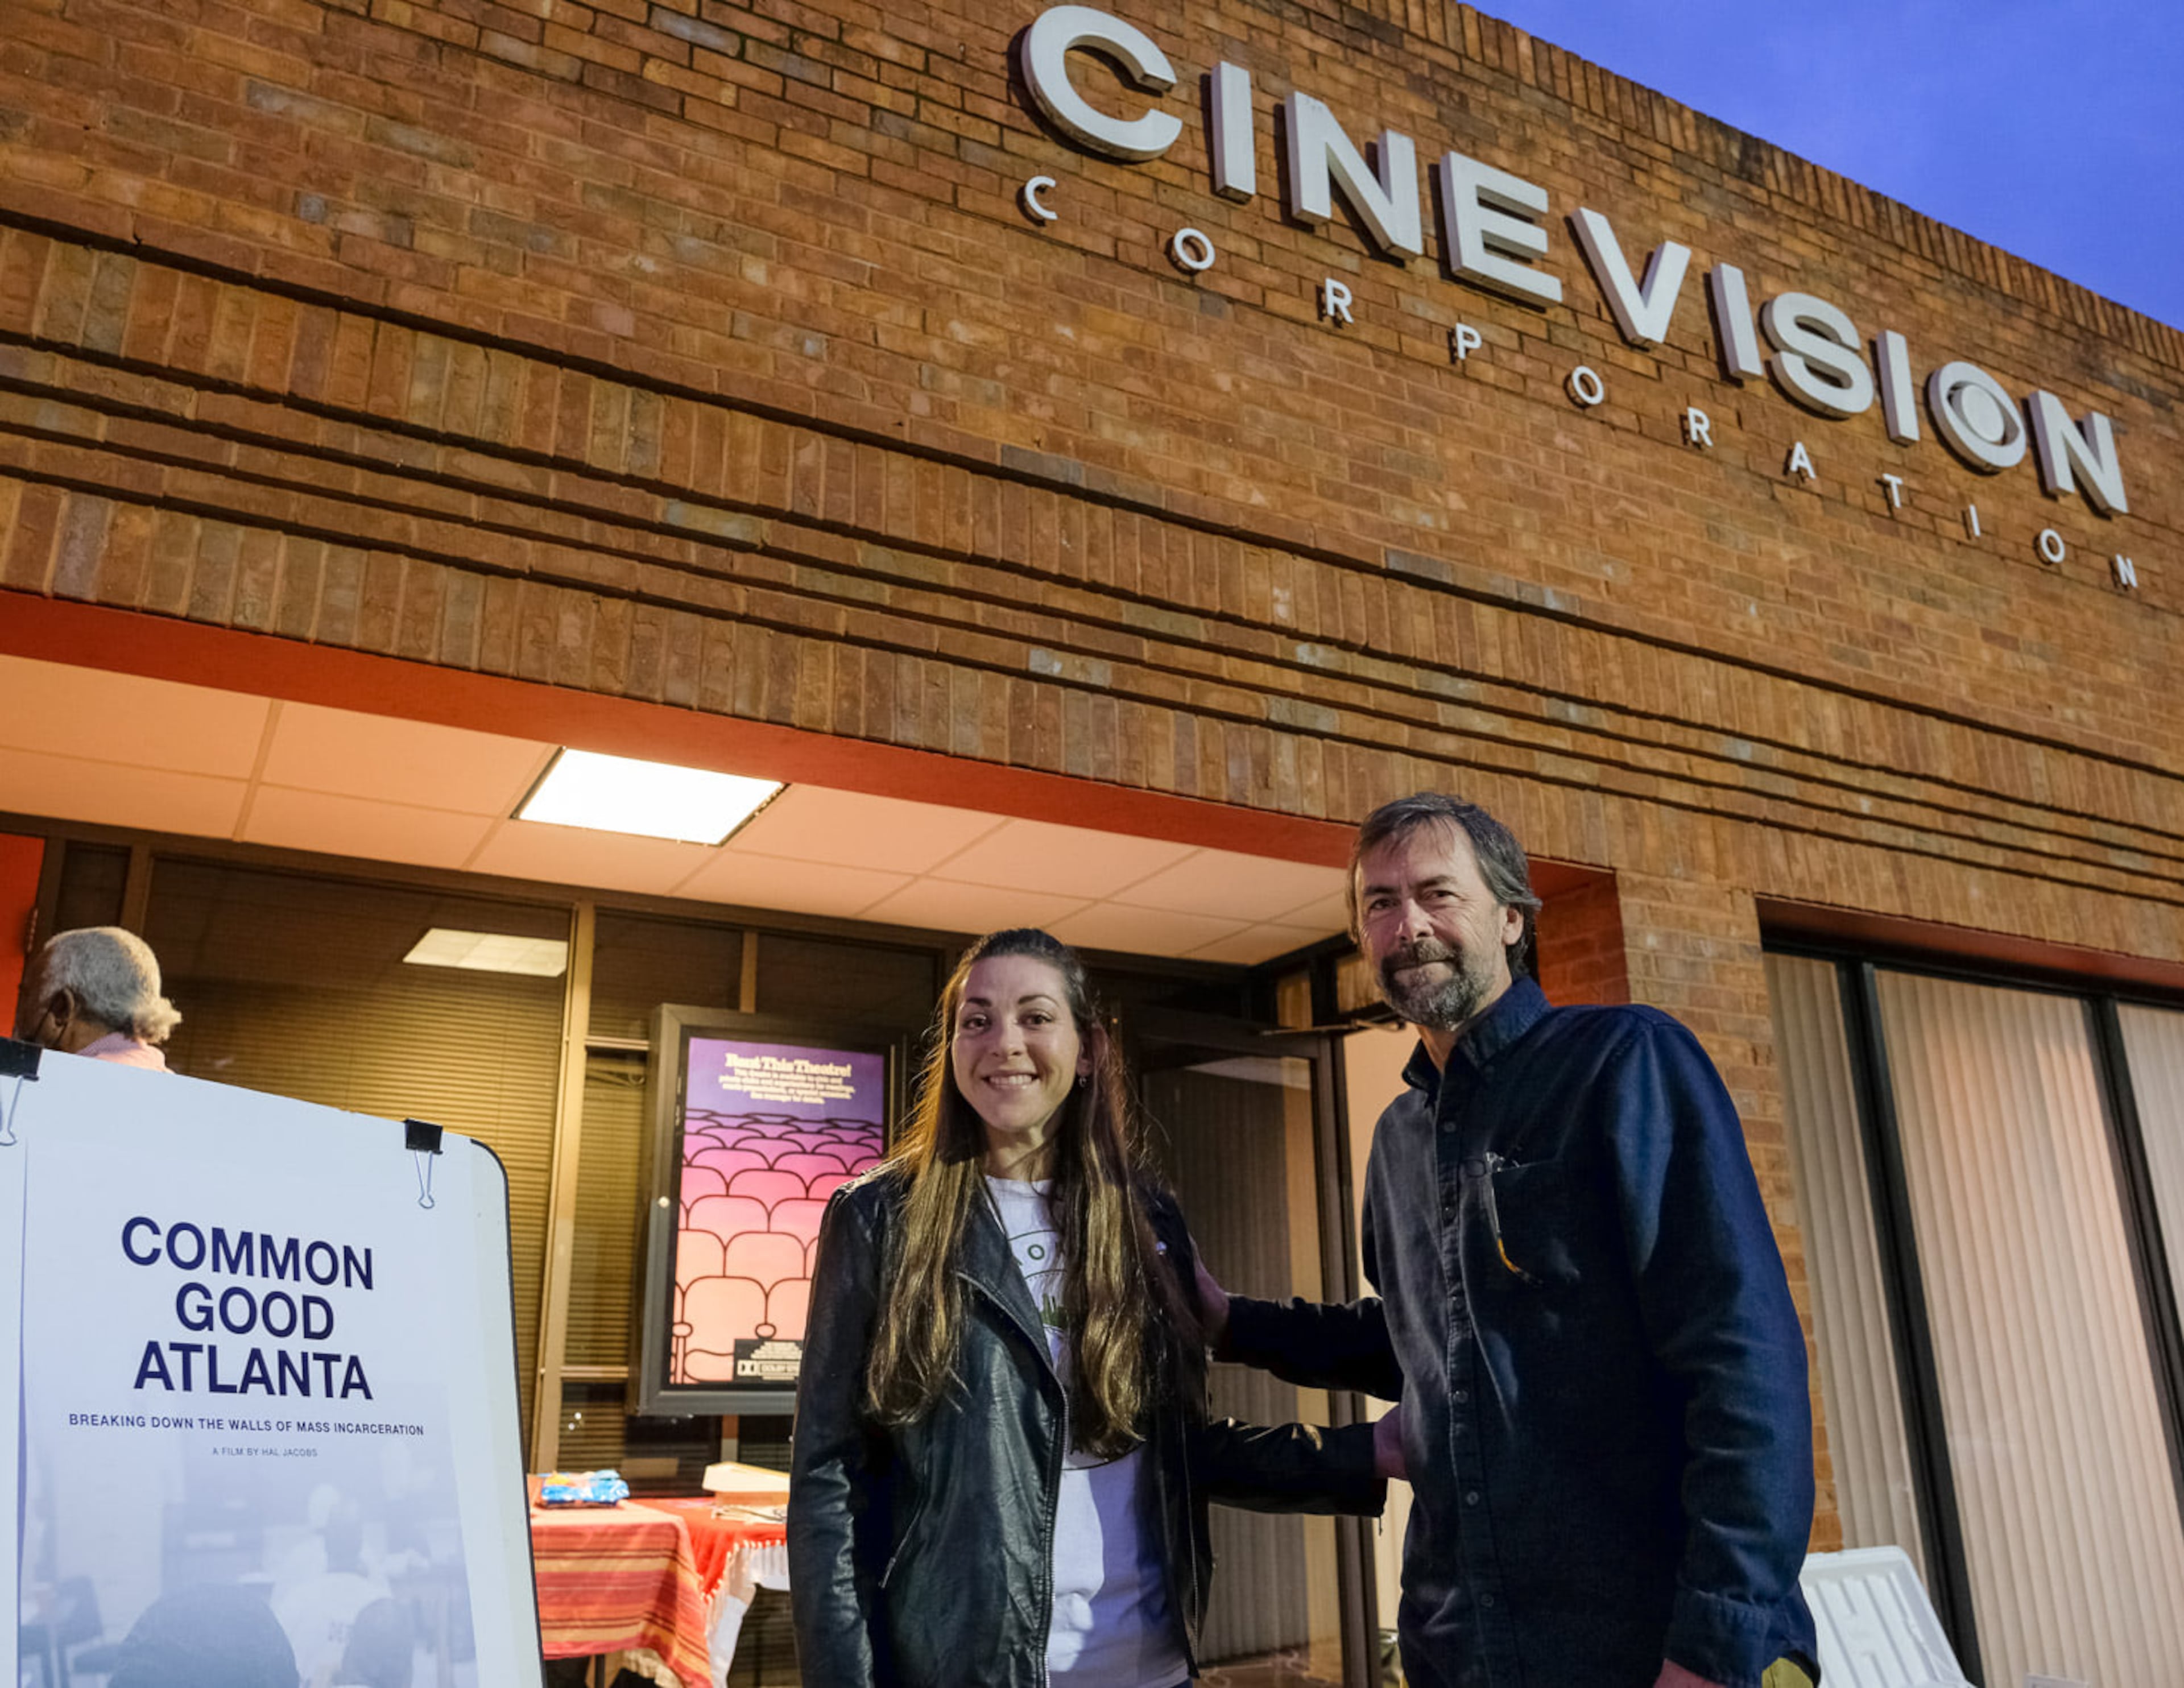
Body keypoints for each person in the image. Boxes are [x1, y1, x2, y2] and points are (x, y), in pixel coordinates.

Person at [1197, 794, 1819, 1688]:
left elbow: (1743, 1363)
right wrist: (1232, 1326)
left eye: (1437, 894)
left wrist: (1716, 1643)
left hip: (1644, 1645)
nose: (1408, 924)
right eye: (1379, 903)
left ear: (1512, 917)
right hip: (1466, 1646)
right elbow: (1427, 1343)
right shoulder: (1398, 1139)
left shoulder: (1625, 1062)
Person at [789, 927, 1393, 1688]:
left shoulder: (1145, 1216)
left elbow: (1180, 1448)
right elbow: (827, 1480)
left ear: (1090, 1051)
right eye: (976, 1021)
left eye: (1036, 1017)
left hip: (1150, 1664)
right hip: (966, 1666)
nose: (1003, 1042)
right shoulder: (879, 1219)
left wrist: (1359, 1454)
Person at [14, 926, 180, 1069]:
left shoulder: (62, 1086)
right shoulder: (175, 1091)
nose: (18, 1016)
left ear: (61, 1008)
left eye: (26, 997)